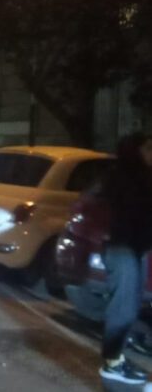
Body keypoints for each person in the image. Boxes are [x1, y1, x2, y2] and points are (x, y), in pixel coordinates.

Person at [99, 132, 152, 385]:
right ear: (135, 151)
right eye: (149, 148)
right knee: (123, 308)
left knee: (130, 305)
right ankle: (112, 363)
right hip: (122, 248)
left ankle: (119, 352)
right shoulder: (122, 177)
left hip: (136, 248)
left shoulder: (141, 175)